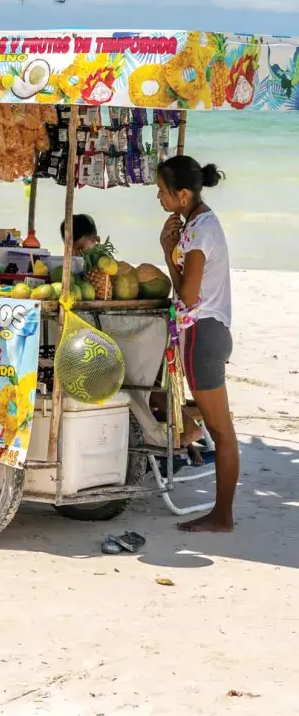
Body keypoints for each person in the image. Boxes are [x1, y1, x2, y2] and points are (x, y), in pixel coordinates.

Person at [157, 154, 238, 533]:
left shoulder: (201, 231)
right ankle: (220, 513)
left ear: (183, 194)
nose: (159, 198)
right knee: (220, 427)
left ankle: (221, 516)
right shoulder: (198, 223)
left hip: (201, 333)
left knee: (221, 431)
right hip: (209, 330)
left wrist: (165, 249)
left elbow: (187, 296)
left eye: (162, 192)